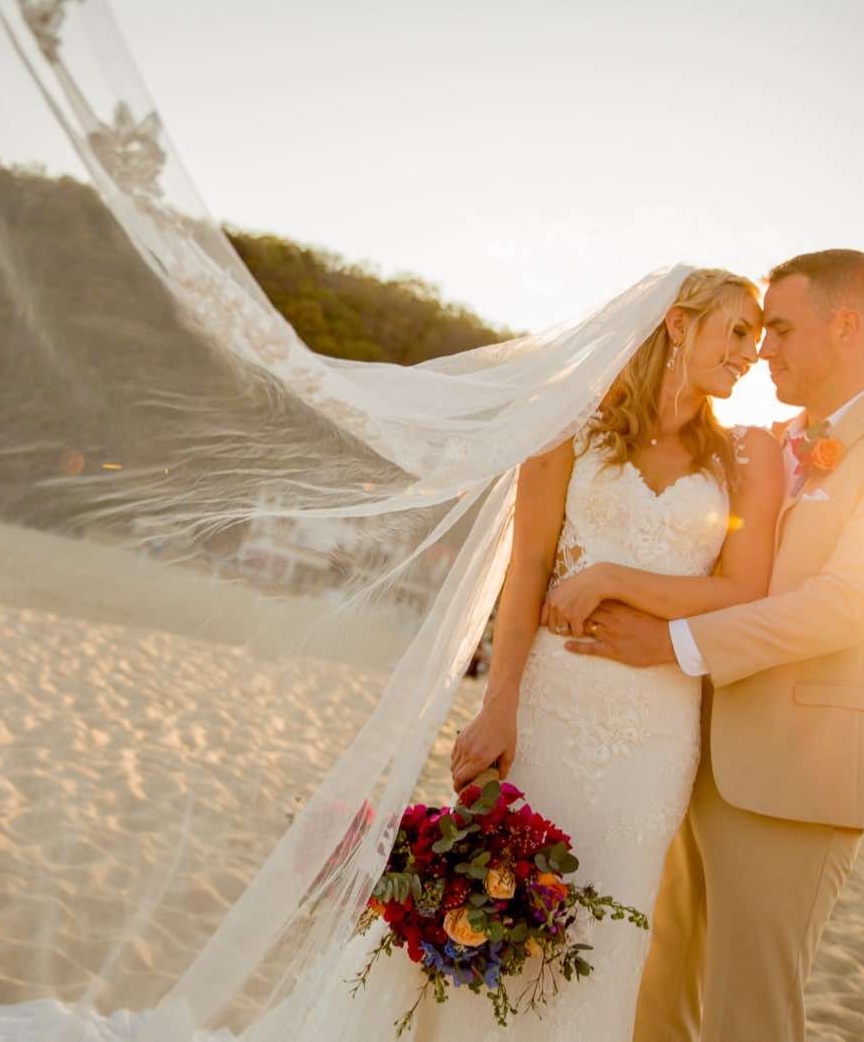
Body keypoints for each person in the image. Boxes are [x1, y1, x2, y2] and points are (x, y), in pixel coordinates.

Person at [309, 267, 784, 1040]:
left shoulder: (745, 459)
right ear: (675, 323)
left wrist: (610, 578)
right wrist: (498, 705)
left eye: (759, 342)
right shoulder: (575, 426)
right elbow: (526, 569)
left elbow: (744, 587)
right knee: (498, 905)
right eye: (736, 330)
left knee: (607, 924)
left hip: (655, 734)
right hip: (550, 705)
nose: (749, 353)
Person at [566, 249, 864, 1042]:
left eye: (780, 328)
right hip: (687, 754)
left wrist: (672, 641)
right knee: (656, 997)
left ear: (846, 326)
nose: (763, 349)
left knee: (747, 1016)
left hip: (799, 773)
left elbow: (844, 606)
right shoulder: (755, 444)